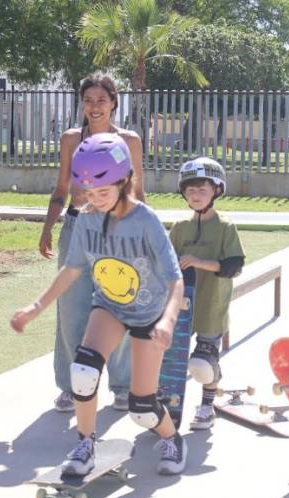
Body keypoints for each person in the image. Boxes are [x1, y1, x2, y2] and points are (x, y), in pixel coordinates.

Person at [12, 133, 188, 475]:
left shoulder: (145, 221)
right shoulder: (88, 218)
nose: (95, 200)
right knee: (83, 371)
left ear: (125, 181)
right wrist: (36, 307)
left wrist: (167, 320)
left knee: (142, 408)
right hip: (108, 306)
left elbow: (175, 279)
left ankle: (172, 438)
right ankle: (85, 443)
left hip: (150, 314)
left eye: (102, 192)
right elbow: (72, 269)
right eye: (88, 193)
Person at [39, 73, 139, 413]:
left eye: (101, 100)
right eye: (88, 101)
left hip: (117, 229)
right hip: (77, 228)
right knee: (71, 309)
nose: (94, 107)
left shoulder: (129, 140)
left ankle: (122, 385)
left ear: (114, 102)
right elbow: (61, 187)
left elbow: (138, 192)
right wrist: (48, 228)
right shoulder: (71, 139)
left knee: (119, 303)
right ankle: (70, 385)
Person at [169, 157, 246, 430]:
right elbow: (165, 265)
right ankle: (167, 406)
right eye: (190, 190)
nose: (195, 195)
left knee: (202, 364)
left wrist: (199, 262)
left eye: (202, 189)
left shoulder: (225, 227)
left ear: (216, 190)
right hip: (180, 306)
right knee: (169, 361)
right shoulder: (179, 228)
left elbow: (233, 266)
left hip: (211, 306)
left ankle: (206, 406)